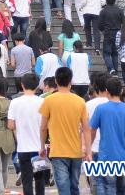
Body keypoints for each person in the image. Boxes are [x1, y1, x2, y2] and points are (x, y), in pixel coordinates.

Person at [39, 67, 91, 195]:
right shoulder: (80, 101)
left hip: (58, 151)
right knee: (74, 186)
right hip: (76, 151)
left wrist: (41, 147)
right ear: (71, 81)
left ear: (56, 81)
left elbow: (43, 127)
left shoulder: (49, 100)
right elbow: (86, 129)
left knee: (63, 187)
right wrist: (88, 151)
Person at [90, 77, 125, 195]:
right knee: (121, 189)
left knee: (109, 188)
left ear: (107, 91)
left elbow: (92, 131)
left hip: (106, 157)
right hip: (124, 157)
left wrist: (88, 149)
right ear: (121, 91)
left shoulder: (101, 109)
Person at [7, 72, 48, 195]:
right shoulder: (42, 102)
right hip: (39, 148)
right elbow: (45, 126)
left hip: (23, 147)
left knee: (26, 179)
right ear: (36, 86)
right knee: (40, 179)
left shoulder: (15, 102)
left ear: (22, 85)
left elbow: (10, 125)